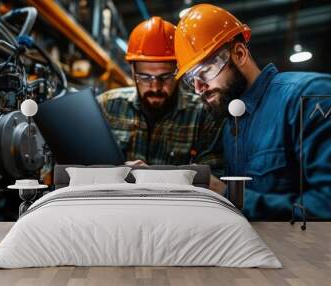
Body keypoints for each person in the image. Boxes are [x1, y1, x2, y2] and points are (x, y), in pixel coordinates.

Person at [174, 3, 331, 219]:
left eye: (205, 71)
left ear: (239, 53)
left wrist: (229, 197)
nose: (199, 88)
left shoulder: (308, 98)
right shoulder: (233, 124)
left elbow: (326, 205)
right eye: (191, 80)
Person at [97, 16, 226, 188]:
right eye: (145, 77)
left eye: (165, 77)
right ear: (133, 70)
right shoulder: (106, 106)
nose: (155, 87)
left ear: (180, 71)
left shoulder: (204, 115)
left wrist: (153, 177)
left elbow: (212, 181)